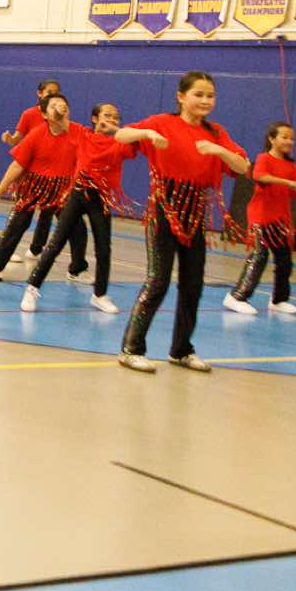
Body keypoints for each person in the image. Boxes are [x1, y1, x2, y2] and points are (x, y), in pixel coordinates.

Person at [114, 71, 249, 373]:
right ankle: (131, 348)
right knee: (158, 281)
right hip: (164, 211)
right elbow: (121, 135)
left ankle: (181, 350)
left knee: (193, 285)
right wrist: (146, 135)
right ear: (181, 96)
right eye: (198, 94)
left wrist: (219, 150)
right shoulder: (162, 122)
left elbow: (242, 167)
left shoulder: (216, 133)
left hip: (195, 215)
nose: (205, 100)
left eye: (210, 95)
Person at [25, 103, 136, 314]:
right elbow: (58, 119)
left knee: (104, 248)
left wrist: (115, 130)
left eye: (116, 117)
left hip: (100, 199)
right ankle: (32, 288)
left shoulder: (120, 143)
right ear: (95, 118)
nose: (112, 119)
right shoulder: (82, 134)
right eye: (107, 115)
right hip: (78, 194)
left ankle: (99, 295)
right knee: (56, 243)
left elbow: (136, 139)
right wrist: (58, 108)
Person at [0, 92, 79, 297]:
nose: (61, 107)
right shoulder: (36, 134)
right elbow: (17, 165)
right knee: (19, 223)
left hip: (63, 189)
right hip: (35, 186)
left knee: (76, 227)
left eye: (64, 104)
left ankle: (78, 269)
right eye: (54, 105)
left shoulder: (77, 133)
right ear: (44, 114)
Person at [225, 122, 296, 317]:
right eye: (284, 137)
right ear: (272, 139)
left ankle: (279, 300)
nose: (289, 141)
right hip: (261, 216)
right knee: (259, 256)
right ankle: (237, 296)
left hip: (280, 220)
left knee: (285, 261)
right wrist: (288, 182)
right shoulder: (263, 158)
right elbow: (260, 176)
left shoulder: (290, 166)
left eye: (292, 138)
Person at [2, 78, 86, 271]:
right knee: (21, 214)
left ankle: (36, 249)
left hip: (56, 176)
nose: (53, 95)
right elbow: (18, 140)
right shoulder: (30, 115)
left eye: (57, 92)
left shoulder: (64, 119)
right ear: (40, 94)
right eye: (49, 92)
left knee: (49, 216)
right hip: (32, 173)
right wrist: (11, 140)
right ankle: (4, 251)